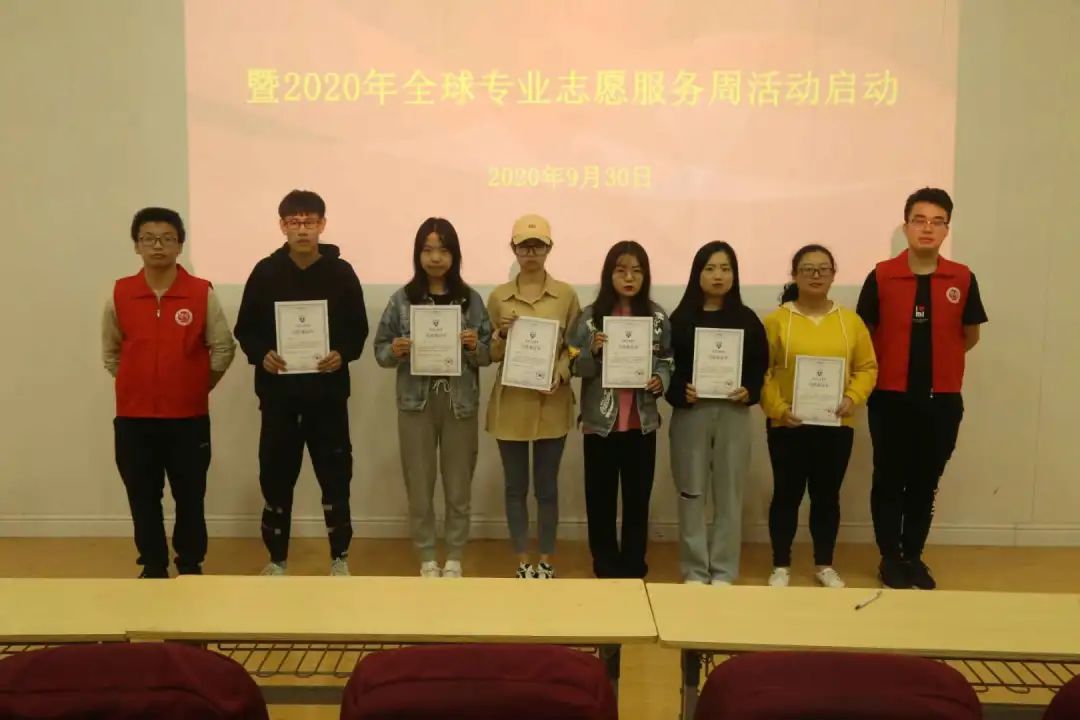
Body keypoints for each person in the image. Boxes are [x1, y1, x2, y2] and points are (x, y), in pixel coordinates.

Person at [857, 187, 988, 590]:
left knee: (925, 482)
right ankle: (890, 557)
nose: (927, 228)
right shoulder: (881, 276)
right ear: (906, 226)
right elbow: (864, 335)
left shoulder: (962, 278)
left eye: (937, 221)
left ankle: (913, 555)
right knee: (889, 479)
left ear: (947, 229)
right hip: (890, 398)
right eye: (919, 220)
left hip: (942, 401)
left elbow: (969, 336)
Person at [234, 190, 368, 577]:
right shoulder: (265, 272)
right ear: (282, 226)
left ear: (322, 224)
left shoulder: (341, 273)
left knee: (335, 478)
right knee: (276, 478)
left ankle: (339, 557)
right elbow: (246, 329)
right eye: (294, 222)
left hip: (328, 397)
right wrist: (262, 354)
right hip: (279, 398)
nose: (303, 229)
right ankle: (276, 559)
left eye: (310, 221)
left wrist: (342, 353)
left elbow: (357, 329)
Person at [103, 207, 236, 578]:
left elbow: (223, 348)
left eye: (167, 239)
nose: (158, 246)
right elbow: (111, 352)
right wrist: (138, 382)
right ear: (137, 246)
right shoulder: (120, 292)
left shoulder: (200, 292)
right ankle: (153, 565)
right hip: (133, 418)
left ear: (180, 245)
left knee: (190, 497)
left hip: (188, 418)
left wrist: (197, 384)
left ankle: (190, 564)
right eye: (148, 239)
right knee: (142, 498)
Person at [374, 218, 492, 578]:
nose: (436, 257)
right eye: (428, 250)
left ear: (454, 254)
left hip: (459, 403)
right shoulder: (401, 300)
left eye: (443, 250)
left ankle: (454, 556)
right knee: (419, 484)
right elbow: (380, 352)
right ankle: (427, 556)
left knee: (458, 485)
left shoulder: (470, 300)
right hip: (416, 403)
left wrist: (473, 346)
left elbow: (488, 354)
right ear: (418, 254)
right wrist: (395, 349)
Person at [762, 245, 878, 589]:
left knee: (827, 497)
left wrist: (852, 397)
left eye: (823, 269)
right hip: (787, 425)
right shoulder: (776, 321)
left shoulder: (850, 322)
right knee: (786, 495)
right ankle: (781, 565)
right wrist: (778, 409)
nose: (816, 275)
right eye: (808, 269)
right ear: (794, 275)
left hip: (835, 426)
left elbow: (867, 367)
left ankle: (824, 564)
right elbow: (762, 372)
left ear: (833, 275)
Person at [567, 241, 673, 579]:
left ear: (646, 276)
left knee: (637, 499)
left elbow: (668, 359)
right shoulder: (590, 318)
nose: (629, 277)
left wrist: (661, 379)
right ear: (608, 274)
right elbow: (573, 366)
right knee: (600, 499)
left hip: (642, 423)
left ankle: (633, 563)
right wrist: (592, 353)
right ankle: (604, 561)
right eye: (621, 270)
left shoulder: (657, 317)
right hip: (600, 424)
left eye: (637, 271)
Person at [665, 242, 768, 585]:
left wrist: (750, 390)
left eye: (725, 268)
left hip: (732, 415)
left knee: (729, 494)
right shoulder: (680, 319)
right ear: (697, 274)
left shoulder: (747, 319)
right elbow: (665, 367)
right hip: (691, 415)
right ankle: (695, 569)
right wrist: (680, 391)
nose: (718, 276)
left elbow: (760, 366)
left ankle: (723, 569)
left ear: (734, 275)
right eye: (710, 268)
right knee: (691, 493)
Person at [486, 214, 581, 579]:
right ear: (513, 248)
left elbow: (575, 347)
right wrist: (500, 335)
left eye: (537, 246)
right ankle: (521, 559)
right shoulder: (498, 297)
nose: (530, 253)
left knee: (547, 488)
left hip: (551, 403)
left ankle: (546, 559)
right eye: (524, 246)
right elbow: (490, 354)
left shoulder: (566, 295)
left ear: (549, 248)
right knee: (515, 488)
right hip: (510, 404)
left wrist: (562, 371)